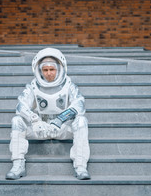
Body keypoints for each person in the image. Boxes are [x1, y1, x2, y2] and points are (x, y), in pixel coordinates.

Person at [5, 47, 91, 180]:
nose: (49, 73)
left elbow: (79, 104)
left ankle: (80, 166)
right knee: (17, 120)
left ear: (59, 69)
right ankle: (18, 164)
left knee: (81, 121)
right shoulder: (32, 87)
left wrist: (60, 120)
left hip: (61, 128)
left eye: (52, 69)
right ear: (39, 70)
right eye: (45, 70)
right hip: (41, 128)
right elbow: (21, 105)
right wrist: (34, 120)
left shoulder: (69, 86)